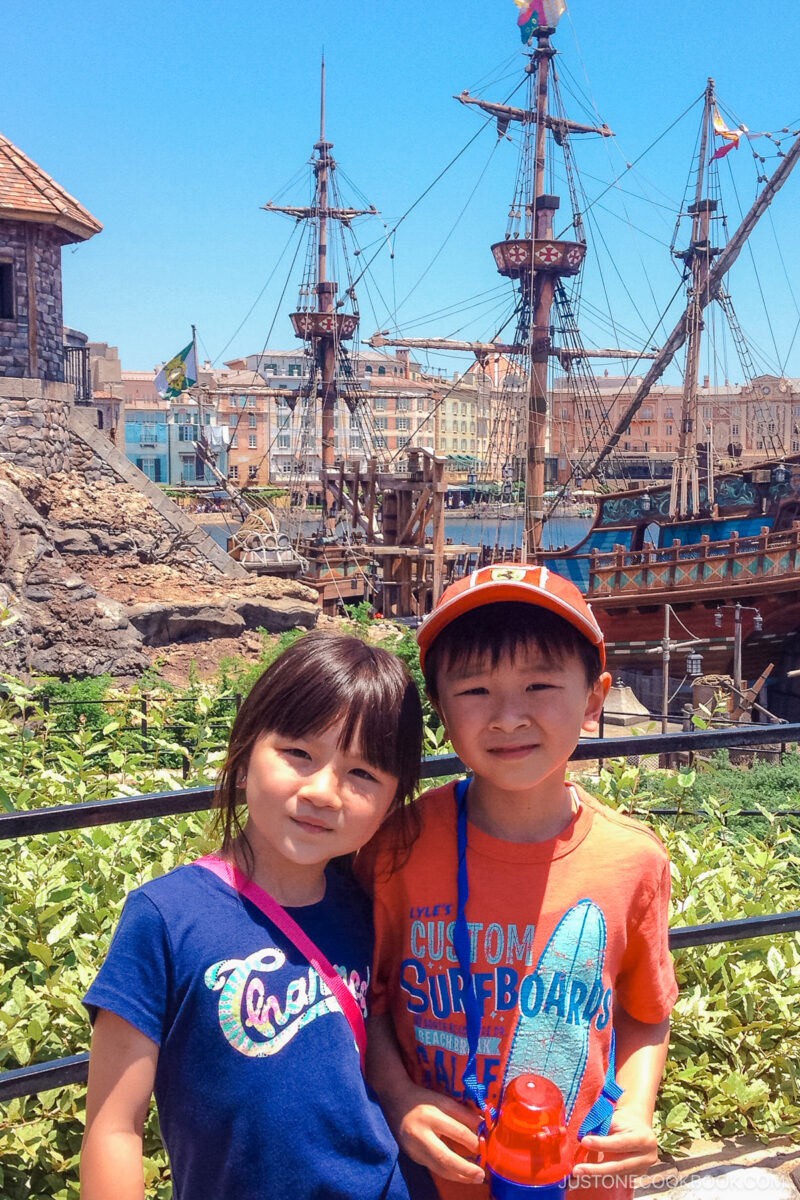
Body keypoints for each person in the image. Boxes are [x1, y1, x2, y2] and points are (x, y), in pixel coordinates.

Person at [360, 564, 678, 1199]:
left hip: (581, 1177)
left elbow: (646, 1015)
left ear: (594, 700)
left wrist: (636, 1112)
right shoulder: (394, 847)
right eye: (474, 690)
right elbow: (367, 1001)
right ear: (441, 712)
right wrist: (399, 1100)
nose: (507, 717)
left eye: (540, 684)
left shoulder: (633, 860)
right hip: (431, 1180)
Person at [81, 633, 425, 1200]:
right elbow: (114, 1128)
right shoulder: (165, 918)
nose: (324, 792)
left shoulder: (371, 909)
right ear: (244, 755)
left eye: (362, 774)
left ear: (392, 800)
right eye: (298, 754)